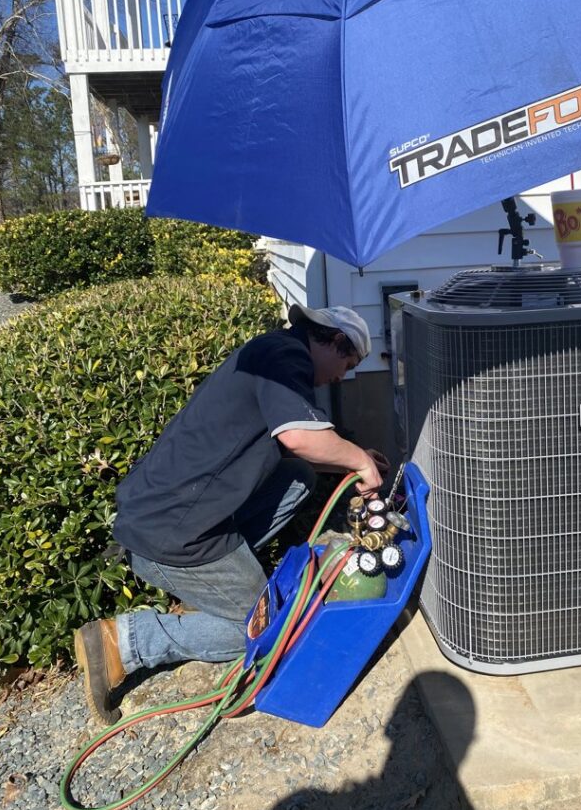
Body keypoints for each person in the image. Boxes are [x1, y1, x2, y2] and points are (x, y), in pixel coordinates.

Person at [74, 303, 390, 724]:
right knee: (269, 629)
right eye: (347, 362)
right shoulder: (286, 357)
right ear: (333, 340)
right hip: (175, 533)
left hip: (171, 513)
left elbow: (300, 445)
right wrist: (361, 465)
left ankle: (213, 588)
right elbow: (299, 436)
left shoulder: (275, 350)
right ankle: (124, 642)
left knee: (297, 475)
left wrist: (354, 457)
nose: (342, 376)